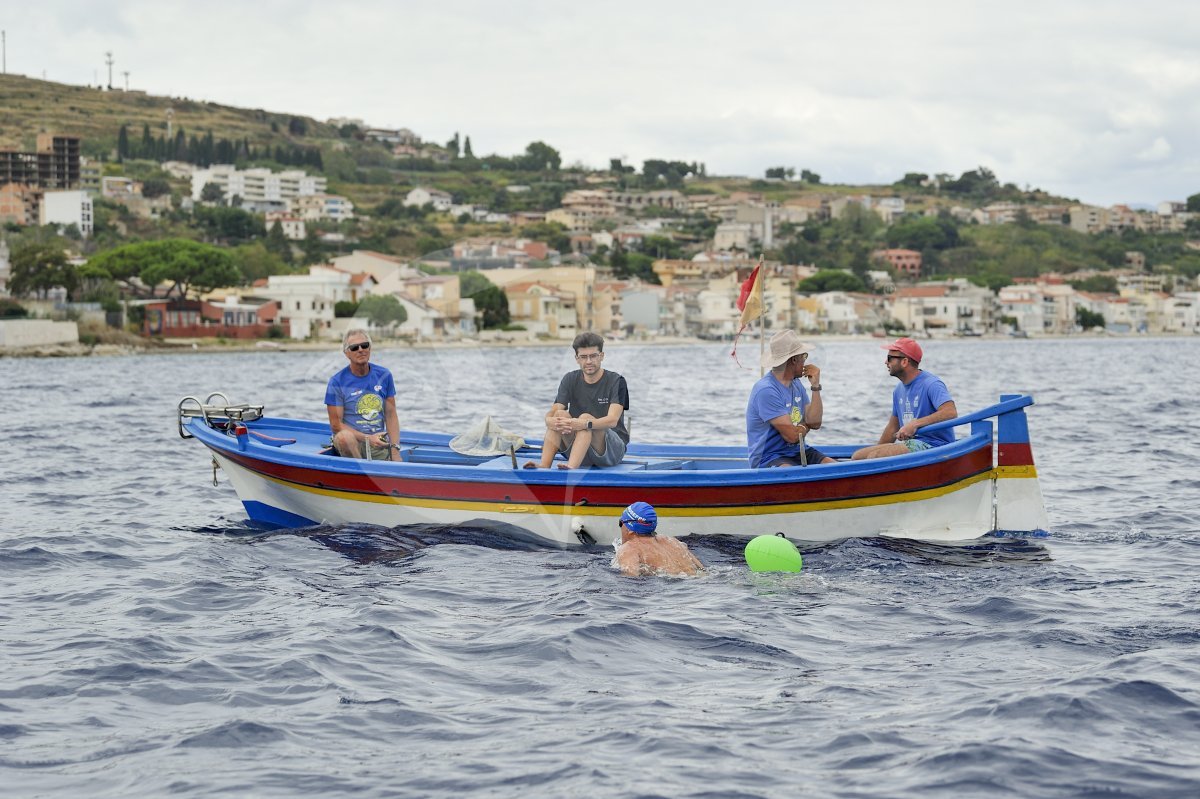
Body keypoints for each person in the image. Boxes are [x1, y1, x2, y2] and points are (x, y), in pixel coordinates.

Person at [528, 331, 629, 470]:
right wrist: (548, 420)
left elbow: (612, 420)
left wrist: (585, 423)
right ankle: (544, 466)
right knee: (559, 415)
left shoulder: (617, 381)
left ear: (601, 356)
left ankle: (571, 468)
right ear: (577, 359)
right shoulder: (569, 379)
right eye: (583, 357)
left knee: (585, 420)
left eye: (593, 356)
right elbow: (555, 409)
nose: (589, 361)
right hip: (580, 449)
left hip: (611, 451)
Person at [851, 337, 957, 460]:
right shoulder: (898, 390)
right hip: (912, 445)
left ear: (905, 362)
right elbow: (892, 427)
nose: (885, 362)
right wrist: (878, 449)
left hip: (936, 445)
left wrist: (915, 424)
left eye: (889, 358)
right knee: (857, 456)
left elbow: (950, 412)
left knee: (875, 456)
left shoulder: (932, 384)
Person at [745, 329, 835, 468]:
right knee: (790, 472)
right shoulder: (766, 390)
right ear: (794, 360)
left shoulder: (796, 384)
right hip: (769, 457)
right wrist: (805, 425)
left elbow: (815, 422)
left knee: (833, 466)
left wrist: (815, 386)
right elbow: (792, 437)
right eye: (804, 356)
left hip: (798, 451)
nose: (805, 361)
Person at [325, 328, 402, 461]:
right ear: (347, 353)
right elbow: (336, 425)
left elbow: (391, 415)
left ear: (370, 348)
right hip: (352, 441)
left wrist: (395, 451)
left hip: (377, 441)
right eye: (354, 347)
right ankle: (359, 469)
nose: (360, 350)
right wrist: (367, 438)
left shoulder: (384, 375)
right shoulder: (337, 382)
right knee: (344, 438)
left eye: (364, 345)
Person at [614, 502, 704, 577]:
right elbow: (703, 571)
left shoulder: (629, 549)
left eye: (621, 523)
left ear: (630, 529)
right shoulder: (672, 541)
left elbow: (630, 581)